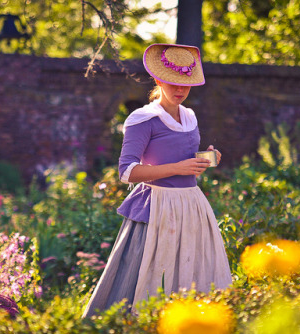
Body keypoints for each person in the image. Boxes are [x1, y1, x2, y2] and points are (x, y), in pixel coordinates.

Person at [83, 43, 232, 318]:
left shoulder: (189, 116)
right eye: (173, 83)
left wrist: (206, 158)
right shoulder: (144, 118)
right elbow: (127, 171)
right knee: (147, 277)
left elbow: (185, 160)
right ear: (158, 79)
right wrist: (178, 167)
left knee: (192, 273)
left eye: (186, 84)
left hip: (191, 206)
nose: (180, 90)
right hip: (158, 207)